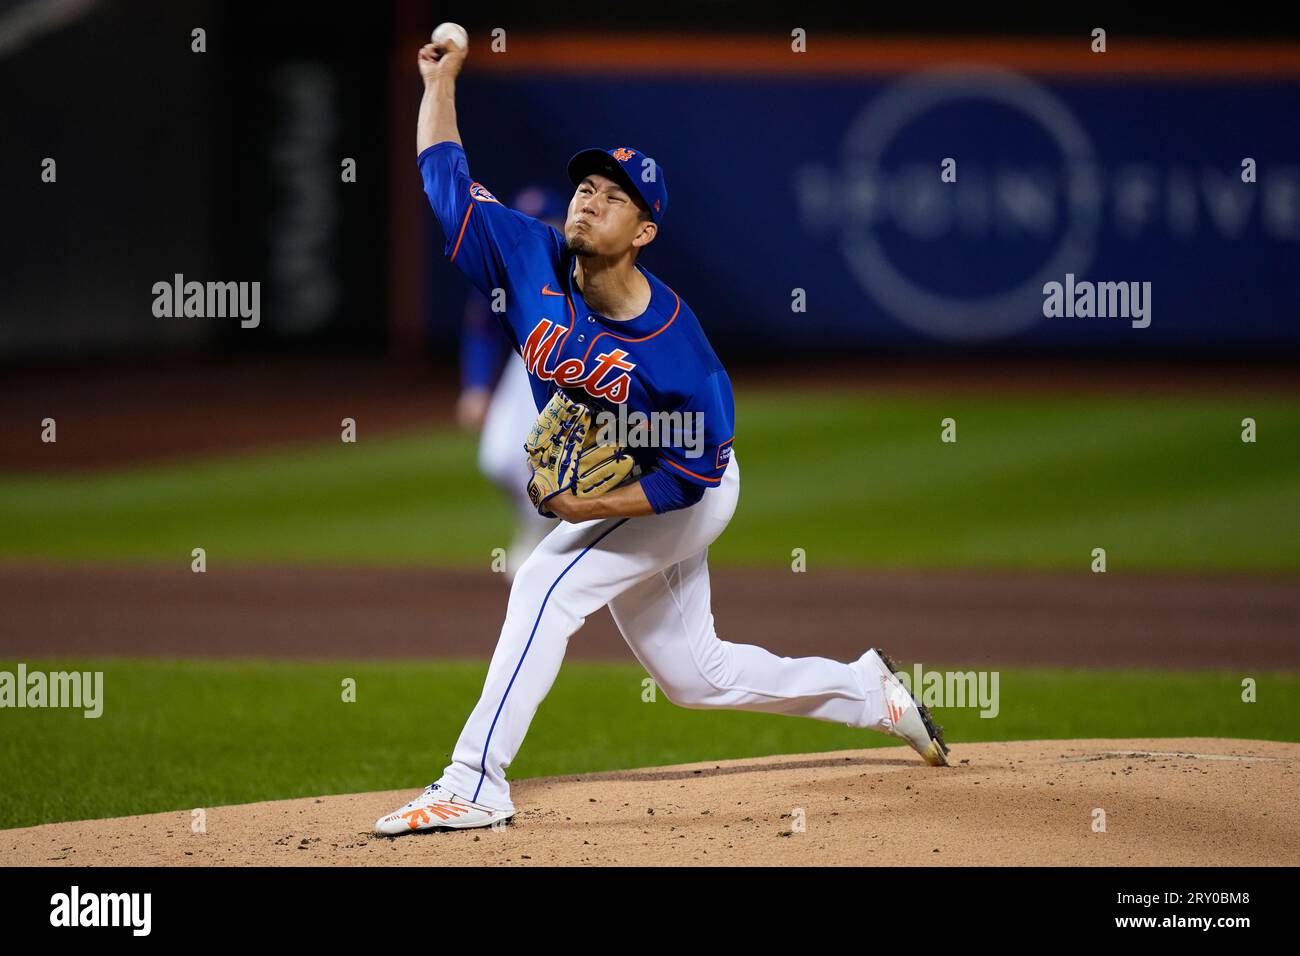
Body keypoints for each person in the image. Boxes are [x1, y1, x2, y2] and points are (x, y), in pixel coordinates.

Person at [375, 34, 949, 837]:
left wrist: (583, 503)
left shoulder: (680, 353)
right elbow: (443, 175)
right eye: (585, 187)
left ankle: (474, 781)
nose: (587, 200)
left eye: (612, 196)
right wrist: (440, 82)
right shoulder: (525, 254)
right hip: (642, 484)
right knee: (695, 676)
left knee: (545, 585)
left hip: (685, 488)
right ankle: (868, 692)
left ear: (644, 232)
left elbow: (696, 473)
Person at [455, 187, 567, 578]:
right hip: (526, 367)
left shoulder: (579, 266)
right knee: (498, 459)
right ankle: (543, 525)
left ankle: (559, 540)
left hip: (578, 368)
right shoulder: (502, 270)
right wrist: (475, 386)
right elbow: (482, 331)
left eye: (541, 223)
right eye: (523, 223)